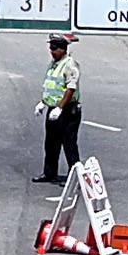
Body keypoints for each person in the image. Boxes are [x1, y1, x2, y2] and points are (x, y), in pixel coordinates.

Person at [37, 34, 83, 184]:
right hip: (54, 108)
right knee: (51, 143)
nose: (52, 51)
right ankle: (49, 173)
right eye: (50, 48)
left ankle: (74, 177)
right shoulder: (54, 63)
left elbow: (70, 88)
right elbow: (51, 86)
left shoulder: (70, 65)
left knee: (68, 143)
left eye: (54, 48)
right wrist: (43, 103)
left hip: (68, 110)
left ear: (63, 49)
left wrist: (60, 108)